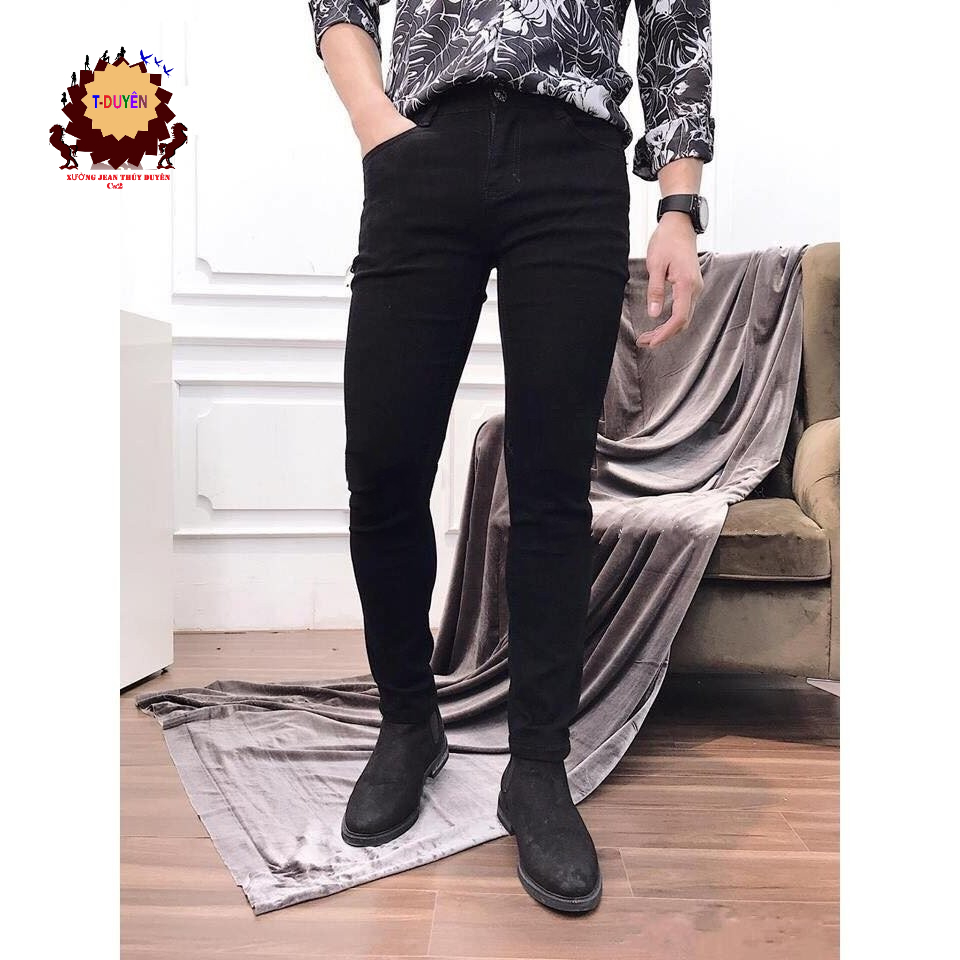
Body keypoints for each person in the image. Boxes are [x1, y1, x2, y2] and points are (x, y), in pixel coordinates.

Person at [308, 0, 715, 913]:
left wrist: (679, 207)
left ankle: (537, 766)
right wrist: (376, 123)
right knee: (383, 467)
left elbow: (678, 26)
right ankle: (409, 723)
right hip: (424, 149)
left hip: (572, 162)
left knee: (550, 485)